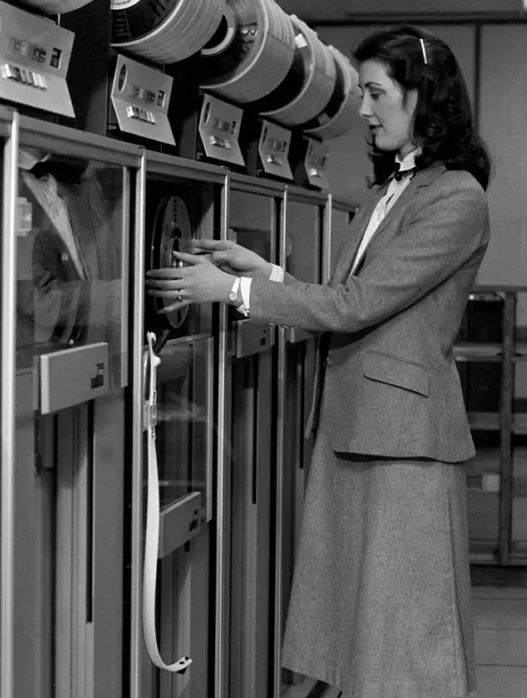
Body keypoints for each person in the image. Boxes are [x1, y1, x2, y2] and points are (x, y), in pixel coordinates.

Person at [146, 25, 491, 698]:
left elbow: (357, 305)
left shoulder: (456, 198)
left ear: (425, 97)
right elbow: (349, 295)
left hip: (403, 440)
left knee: (406, 630)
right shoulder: (390, 191)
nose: (363, 110)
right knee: (365, 621)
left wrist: (237, 291)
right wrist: (264, 269)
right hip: (358, 425)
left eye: (374, 93)